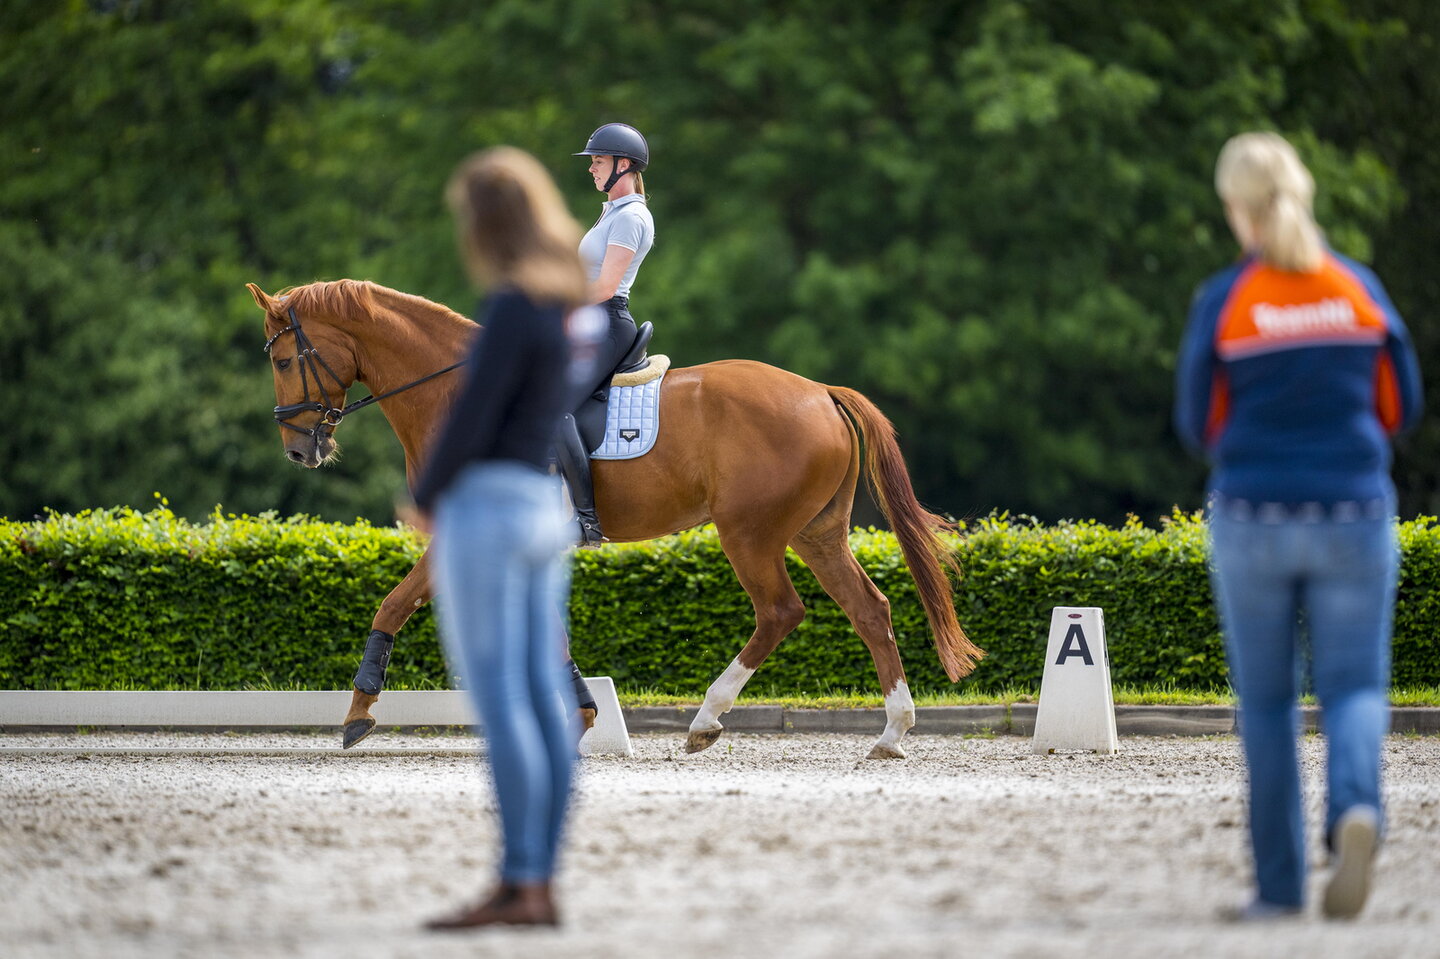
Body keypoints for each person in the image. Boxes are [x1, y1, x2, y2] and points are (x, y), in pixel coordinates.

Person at [1174, 132, 1423, 921]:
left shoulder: (1225, 299)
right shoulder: (1360, 289)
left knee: (1270, 706)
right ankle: (1356, 807)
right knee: (1353, 687)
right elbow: (1399, 407)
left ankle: (1278, 889)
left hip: (1254, 516)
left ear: (1235, 209)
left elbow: (1195, 421)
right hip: (1355, 512)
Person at [411, 146, 588, 930]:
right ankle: (538, 879)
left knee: (502, 700)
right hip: (543, 511)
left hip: (487, 510)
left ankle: (519, 879)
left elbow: (468, 420)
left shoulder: (513, 306)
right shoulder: (560, 304)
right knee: (543, 698)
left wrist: (421, 496)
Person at [554, 121, 656, 545]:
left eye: (597, 161)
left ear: (623, 164)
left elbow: (606, 286)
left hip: (607, 321)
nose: (591, 169)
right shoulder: (610, 213)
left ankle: (587, 520)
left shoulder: (632, 216)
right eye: (593, 162)